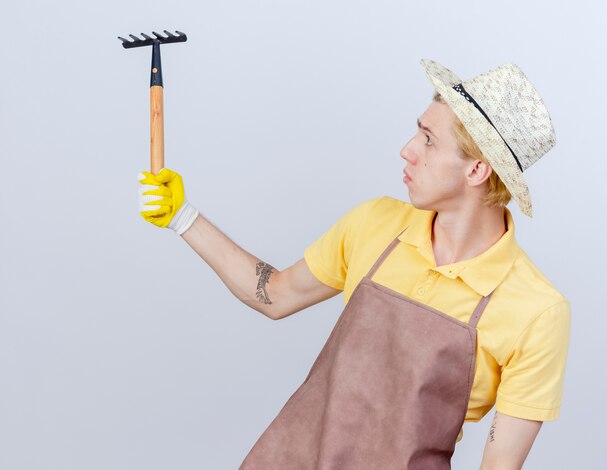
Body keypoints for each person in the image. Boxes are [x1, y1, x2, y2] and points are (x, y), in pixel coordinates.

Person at [137, 58, 571, 469]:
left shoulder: (536, 311)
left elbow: (499, 465)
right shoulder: (375, 223)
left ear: (477, 171)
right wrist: (184, 217)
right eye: (417, 132)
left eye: (428, 140)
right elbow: (274, 295)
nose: (407, 150)